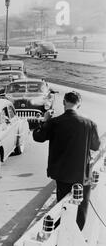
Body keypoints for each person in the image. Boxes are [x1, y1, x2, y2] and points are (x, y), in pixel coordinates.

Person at [33, 91, 101, 230]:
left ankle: (61, 237)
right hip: (82, 175)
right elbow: (96, 146)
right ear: (79, 104)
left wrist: (45, 121)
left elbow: (38, 137)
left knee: (62, 208)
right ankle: (77, 237)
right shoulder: (89, 124)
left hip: (62, 175)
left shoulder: (54, 122)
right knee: (81, 212)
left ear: (64, 102)